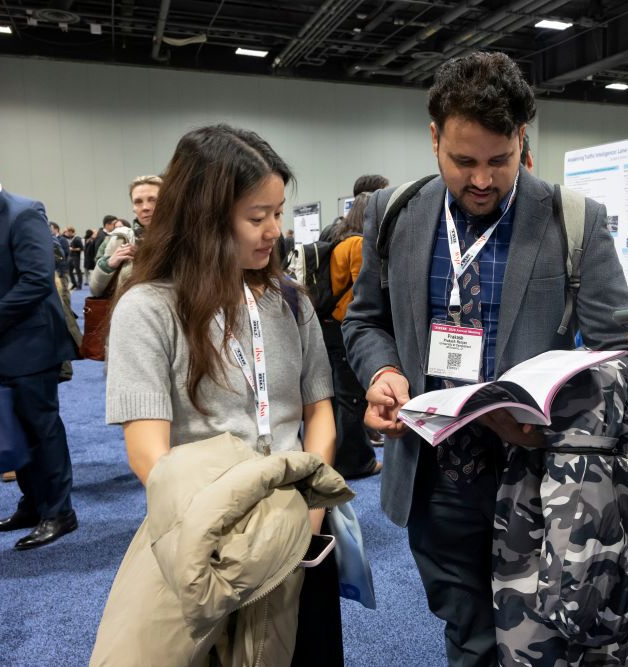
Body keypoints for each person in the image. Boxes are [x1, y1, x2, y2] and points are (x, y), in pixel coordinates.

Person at [342, 51, 628, 666]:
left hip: (541, 483)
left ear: (522, 141)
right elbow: (365, 321)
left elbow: (623, 355)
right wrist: (383, 372)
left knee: (547, 644)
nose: (481, 180)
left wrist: (551, 416)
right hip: (435, 483)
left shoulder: (572, 221)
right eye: (464, 162)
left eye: (498, 161)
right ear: (434, 140)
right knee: (470, 638)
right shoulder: (393, 215)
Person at [103, 124, 343, 664]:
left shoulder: (291, 302)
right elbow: (147, 451)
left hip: (296, 530)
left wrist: (308, 513)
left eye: (278, 214)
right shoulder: (148, 309)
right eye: (257, 218)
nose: (273, 232)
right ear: (204, 217)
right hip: (206, 542)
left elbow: (318, 411)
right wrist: (211, 529)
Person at [0, 160, 79, 550]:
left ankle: (60, 512)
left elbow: (36, 279)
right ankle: (33, 503)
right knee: (13, 428)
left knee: (42, 428)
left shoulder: (23, 212)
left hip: (29, 343)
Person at [323, 193, 381, 479]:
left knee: (342, 398)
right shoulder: (358, 244)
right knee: (352, 401)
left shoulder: (340, 240)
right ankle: (356, 462)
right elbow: (362, 293)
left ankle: (348, 458)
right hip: (344, 327)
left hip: (330, 327)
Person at [89, 176, 161, 297]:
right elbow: (95, 290)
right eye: (138, 202)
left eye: (152, 200)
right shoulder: (121, 239)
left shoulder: (186, 238)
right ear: (133, 208)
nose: (145, 208)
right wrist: (109, 264)